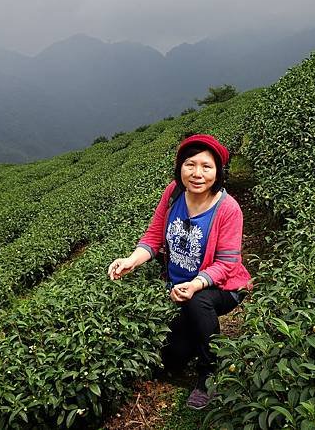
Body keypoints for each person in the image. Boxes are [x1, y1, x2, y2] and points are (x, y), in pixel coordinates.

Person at [107, 134, 251, 410]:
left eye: (206, 167)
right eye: (190, 164)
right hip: (178, 287)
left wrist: (197, 284)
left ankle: (208, 372)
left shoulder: (228, 208)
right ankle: (190, 340)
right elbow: (153, 237)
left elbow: (227, 262)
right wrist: (131, 260)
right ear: (180, 168)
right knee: (170, 359)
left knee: (199, 302)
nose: (197, 174)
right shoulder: (173, 193)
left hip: (223, 287)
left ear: (218, 172)